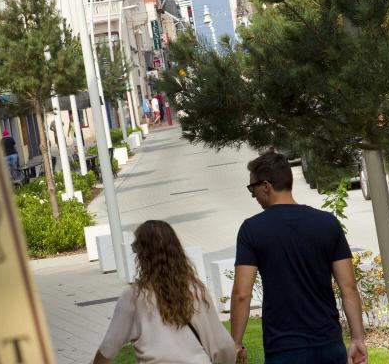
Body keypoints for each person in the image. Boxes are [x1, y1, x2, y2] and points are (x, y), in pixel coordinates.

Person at [232, 152, 367, 364]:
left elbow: (242, 293)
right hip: (329, 343)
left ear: (266, 185)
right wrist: (357, 338)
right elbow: (348, 287)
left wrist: (236, 343)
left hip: (284, 347)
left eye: (253, 188)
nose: (253, 195)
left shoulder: (252, 229)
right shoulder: (327, 223)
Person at [94, 220, 236, 364]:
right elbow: (222, 345)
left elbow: (108, 348)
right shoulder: (196, 290)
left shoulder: (133, 296)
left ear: (142, 255)